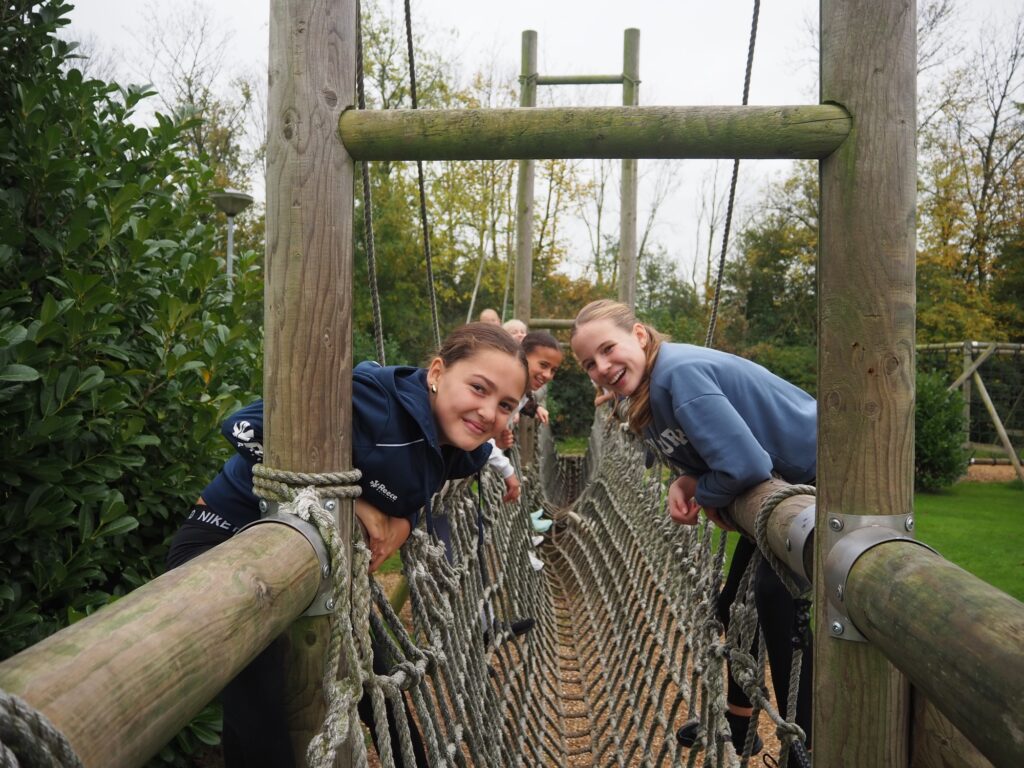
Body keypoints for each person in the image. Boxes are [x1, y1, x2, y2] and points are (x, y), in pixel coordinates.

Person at [167, 322, 529, 768]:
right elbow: (242, 427)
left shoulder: (463, 449)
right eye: (479, 387)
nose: (489, 411)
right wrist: (344, 500)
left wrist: (405, 520)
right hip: (225, 542)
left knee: (383, 680)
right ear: (437, 372)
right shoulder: (378, 403)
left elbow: (408, 483)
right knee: (260, 710)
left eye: (506, 404)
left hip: (320, 566)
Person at [570, 299, 814, 767]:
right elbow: (704, 453)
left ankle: (804, 743)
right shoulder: (644, 393)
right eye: (588, 364)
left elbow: (745, 465)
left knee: (773, 594)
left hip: (817, 478)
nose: (601, 368)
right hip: (782, 486)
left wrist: (708, 492)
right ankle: (742, 724)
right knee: (735, 603)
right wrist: (690, 480)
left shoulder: (677, 374)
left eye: (607, 349)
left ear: (639, 335)